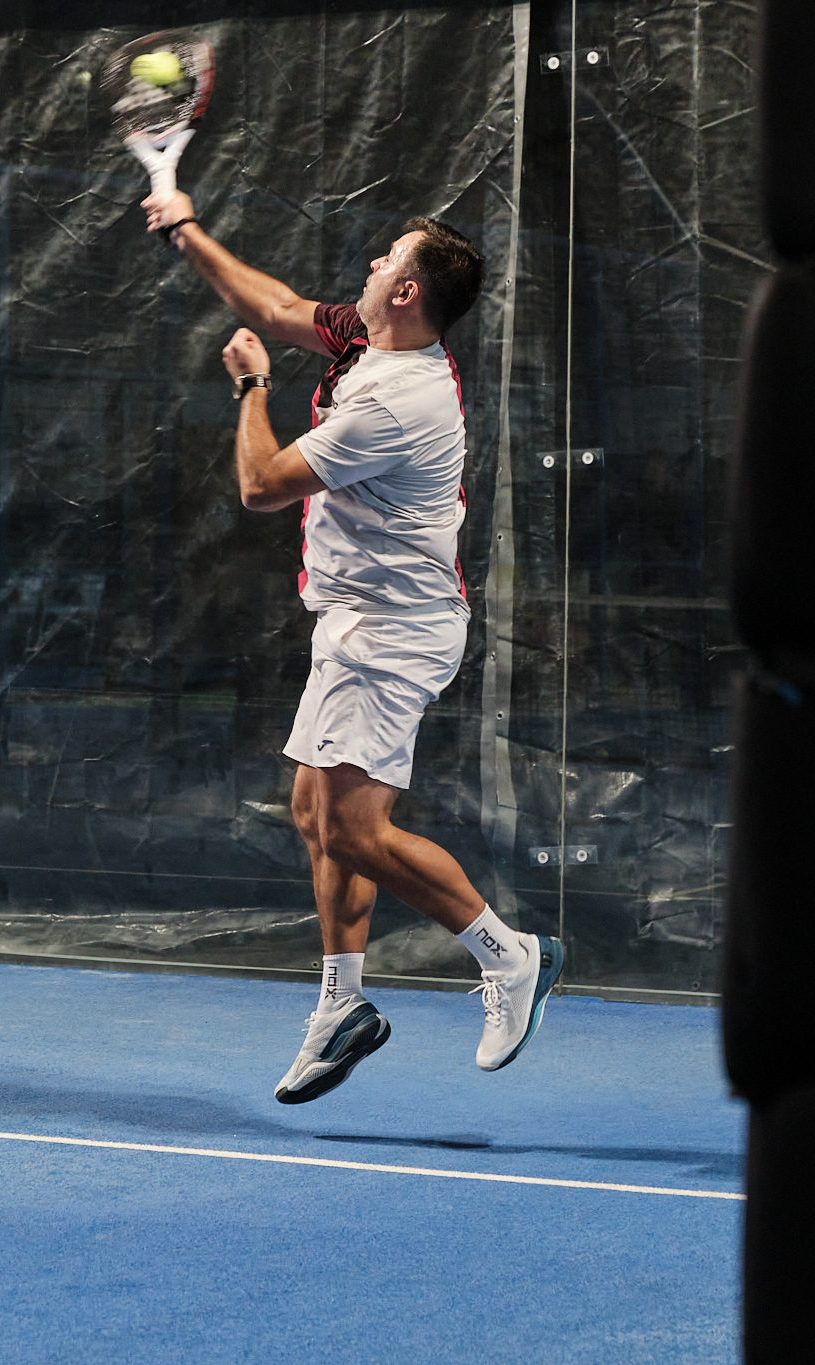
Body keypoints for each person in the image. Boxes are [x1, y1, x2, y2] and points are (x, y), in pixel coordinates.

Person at [142, 190, 565, 1104]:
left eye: (386, 259)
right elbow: (275, 306)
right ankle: (342, 1004)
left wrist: (252, 387)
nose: (371, 264)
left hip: (393, 631)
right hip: (356, 621)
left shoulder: (399, 401)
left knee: (353, 828)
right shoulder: (369, 342)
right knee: (315, 811)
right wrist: (185, 229)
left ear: (407, 292)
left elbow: (261, 485)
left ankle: (510, 954)